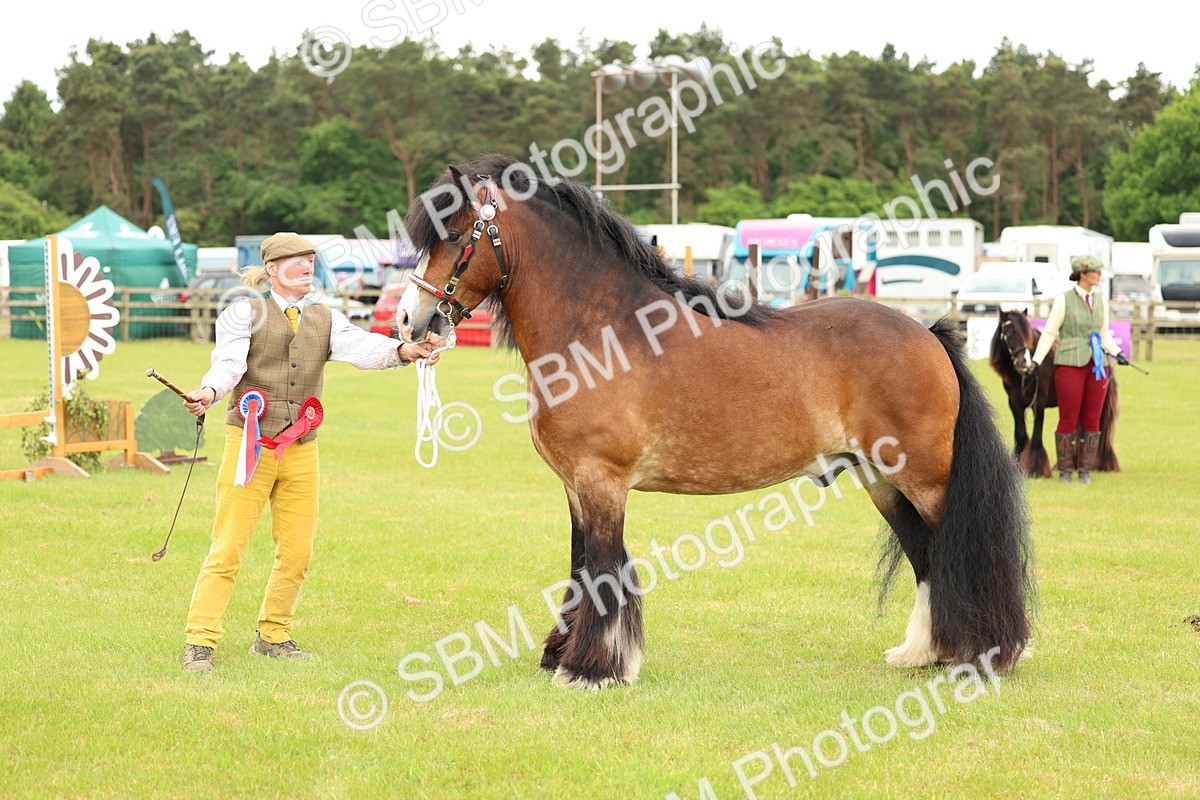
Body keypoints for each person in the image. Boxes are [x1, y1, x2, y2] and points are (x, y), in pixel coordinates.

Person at [178, 232, 440, 673]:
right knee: (228, 550)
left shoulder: (326, 318)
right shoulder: (243, 313)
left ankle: (273, 636)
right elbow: (229, 364)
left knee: (298, 553)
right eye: (297, 261)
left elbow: (362, 347)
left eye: (310, 260)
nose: (307, 268)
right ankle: (200, 642)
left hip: (302, 449)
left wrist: (403, 350)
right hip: (249, 447)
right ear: (272, 270)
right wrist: (209, 392)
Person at [1028, 254, 1129, 484]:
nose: (1099, 275)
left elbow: (1103, 334)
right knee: (1068, 418)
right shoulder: (1064, 299)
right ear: (1082, 274)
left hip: (1098, 366)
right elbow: (1050, 332)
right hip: (1069, 364)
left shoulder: (1100, 300)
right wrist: (1037, 360)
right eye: (1096, 272)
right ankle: (1065, 471)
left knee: (1093, 419)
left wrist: (1117, 352)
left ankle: (1085, 470)